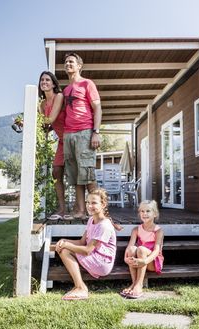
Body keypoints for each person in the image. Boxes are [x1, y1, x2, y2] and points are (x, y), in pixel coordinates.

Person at [55, 188, 117, 300]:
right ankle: (80, 287)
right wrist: (64, 240)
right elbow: (81, 242)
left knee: (65, 250)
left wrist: (66, 245)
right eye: (88, 202)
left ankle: (81, 288)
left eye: (94, 203)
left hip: (102, 263)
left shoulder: (104, 225)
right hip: (95, 256)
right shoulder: (91, 220)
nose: (89, 206)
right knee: (65, 248)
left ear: (103, 204)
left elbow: (87, 250)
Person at [61, 52, 102, 220]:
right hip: (68, 135)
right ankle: (80, 211)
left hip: (85, 132)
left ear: (79, 66)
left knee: (88, 173)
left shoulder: (87, 84)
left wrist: (96, 132)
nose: (68, 64)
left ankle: (100, 212)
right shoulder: (65, 90)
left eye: (71, 61)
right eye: (66, 62)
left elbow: (98, 108)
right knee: (76, 174)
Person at [37, 71, 69, 220]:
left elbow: (50, 119)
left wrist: (32, 121)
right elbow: (47, 126)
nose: (44, 82)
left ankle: (78, 208)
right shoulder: (42, 104)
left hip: (71, 137)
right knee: (56, 172)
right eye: (42, 80)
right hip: (61, 141)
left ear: (54, 83)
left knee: (74, 175)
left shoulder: (59, 97)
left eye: (47, 79)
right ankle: (62, 209)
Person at [121, 200, 164, 299]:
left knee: (141, 249)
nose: (145, 214)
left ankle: (139, 285)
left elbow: (156, 251)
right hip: (138, 260)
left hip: (153, 262)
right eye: (142, 211)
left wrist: (144, 261)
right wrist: (125, 258)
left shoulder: (158, 231)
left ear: (155, 214)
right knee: (132, 249)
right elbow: (129, 247)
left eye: (148, 211)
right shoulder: (136, 230)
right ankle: (134, 283)